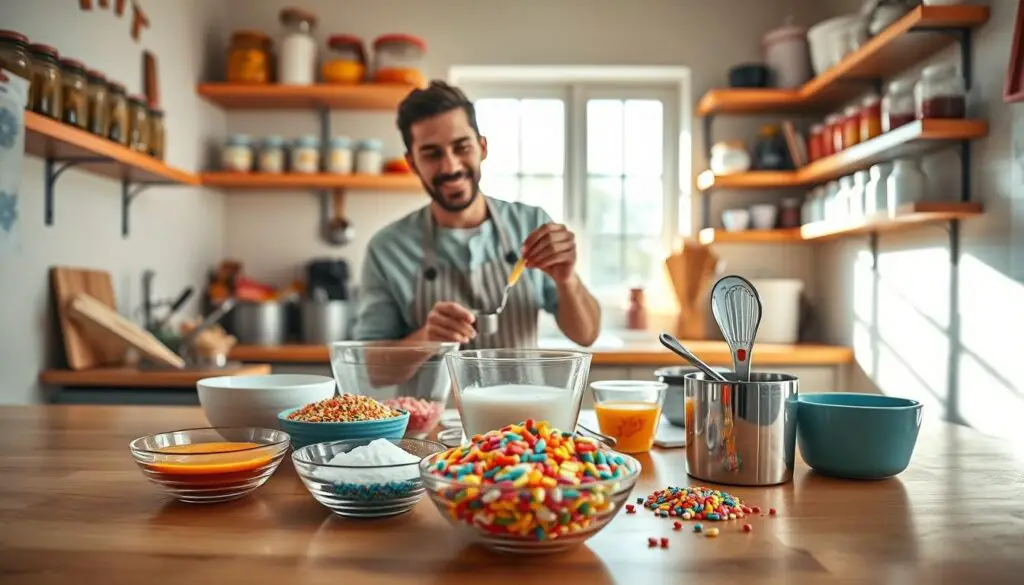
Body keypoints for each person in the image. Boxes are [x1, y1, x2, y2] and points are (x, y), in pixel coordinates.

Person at [352, 80, 601, 349]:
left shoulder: (531, 225)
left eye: (462, 147)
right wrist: (425, 339)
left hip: (524, 392)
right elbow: (371, 367)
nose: (450, 166)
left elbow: (586, 335)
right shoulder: (387, 249)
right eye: (432, 153)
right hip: (430, 395)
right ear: (412, 163)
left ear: (482, 147)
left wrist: (568, 281)